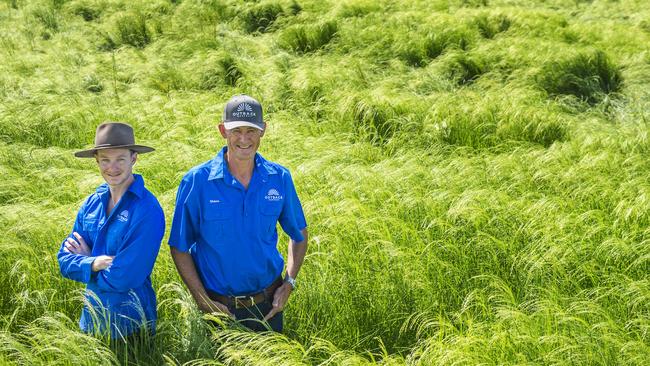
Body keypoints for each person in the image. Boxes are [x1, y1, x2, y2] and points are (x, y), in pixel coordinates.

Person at [169, 94, 308, 332]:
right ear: (223, 130)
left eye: (251, 130)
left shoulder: (279, 178)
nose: (244, 139)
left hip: (269, 306)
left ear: (263, 130)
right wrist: (203, 300)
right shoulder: (197, 181)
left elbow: (300, 234)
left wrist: (289, 283)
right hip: (218, 309)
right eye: (236, 131)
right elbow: (179, 247)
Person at [57, 122, 165, 340]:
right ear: (96, 160)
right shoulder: (92, 203)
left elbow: (124, 278)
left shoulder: (147, 210)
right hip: (91, 324)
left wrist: (86, 261)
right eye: (105, 160)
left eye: (120, 159)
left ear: (134, 158)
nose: (112, 167)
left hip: (131, 328)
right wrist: (95, 262)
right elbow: (64, 262)